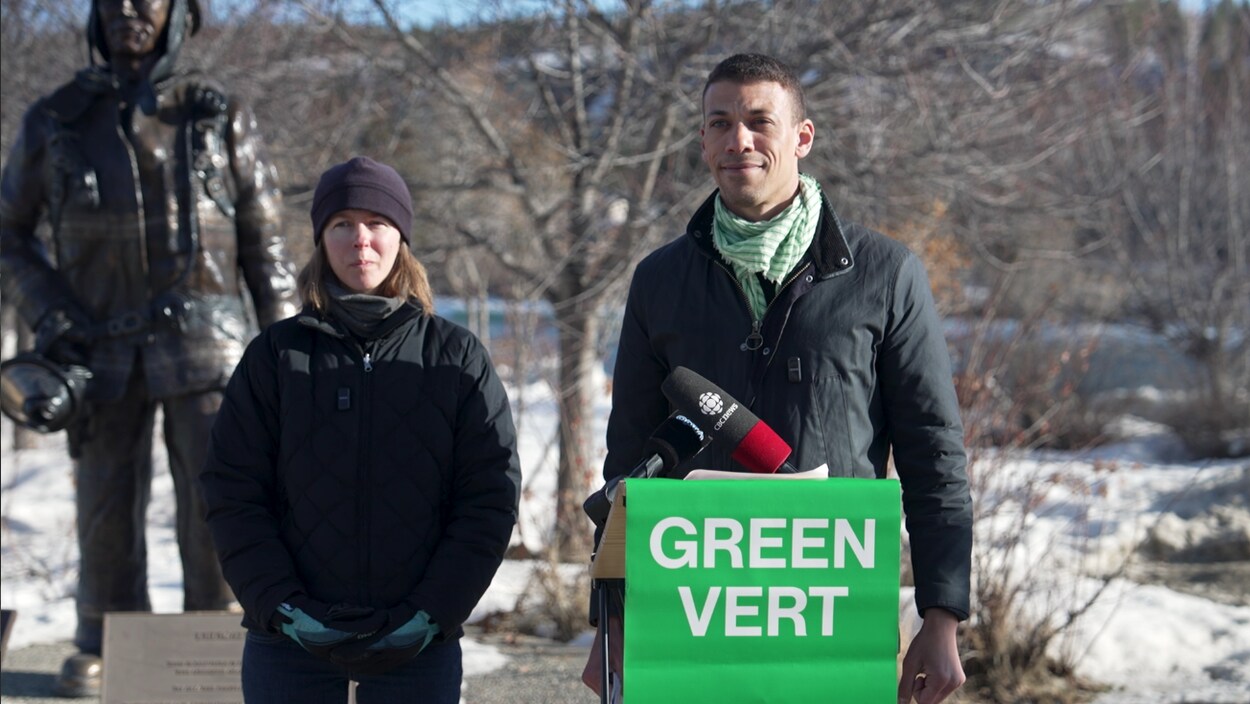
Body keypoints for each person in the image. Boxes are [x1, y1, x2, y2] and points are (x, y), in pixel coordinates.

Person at [591, 54, 973, 704]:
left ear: (802, 137)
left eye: (759, 121)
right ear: (704, 140)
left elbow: (934, 456)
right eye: (720, 123)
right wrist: (610, 620)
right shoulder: (659, 280)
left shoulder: (887, 275)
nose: (739, 139)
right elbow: (628, 464)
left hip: (830, 613)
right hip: (691, 613)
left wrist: (942, 616)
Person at [0, 0, 298, 696]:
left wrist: (288, 349)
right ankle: (103, 633)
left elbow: (268, 242)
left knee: (219, 497)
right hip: (96, 344)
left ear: (177, 15)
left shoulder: (218, 113)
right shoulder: (54, 118)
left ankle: (224, 633)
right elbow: (8, 233)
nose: (131, 11)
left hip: (208, 342)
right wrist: (51, 313)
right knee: (104, 501)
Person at [199, 156, 522, 703]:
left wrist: (432, 614)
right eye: (342, 224)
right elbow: (233, 494)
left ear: (402, 237)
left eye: (377, 223)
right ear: (321, 239)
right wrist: (281, 606)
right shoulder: (276, 356)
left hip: (418, 643)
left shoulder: (455, 356)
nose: (361, 241)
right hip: (288, 643)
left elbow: (488, 498)